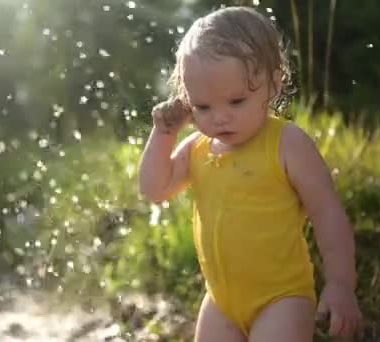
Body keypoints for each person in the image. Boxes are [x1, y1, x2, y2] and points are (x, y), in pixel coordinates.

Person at [138, 6, 362, 342]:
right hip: (221, 302)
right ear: (187, 101)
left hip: (281, 298)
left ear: (273, 82)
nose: (219, 118)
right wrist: (164, 134)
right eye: (203, 107)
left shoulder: (287, 144)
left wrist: (341, 285)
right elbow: (155, 188)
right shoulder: (199, 147)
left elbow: (327, 213)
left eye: (236, 101)